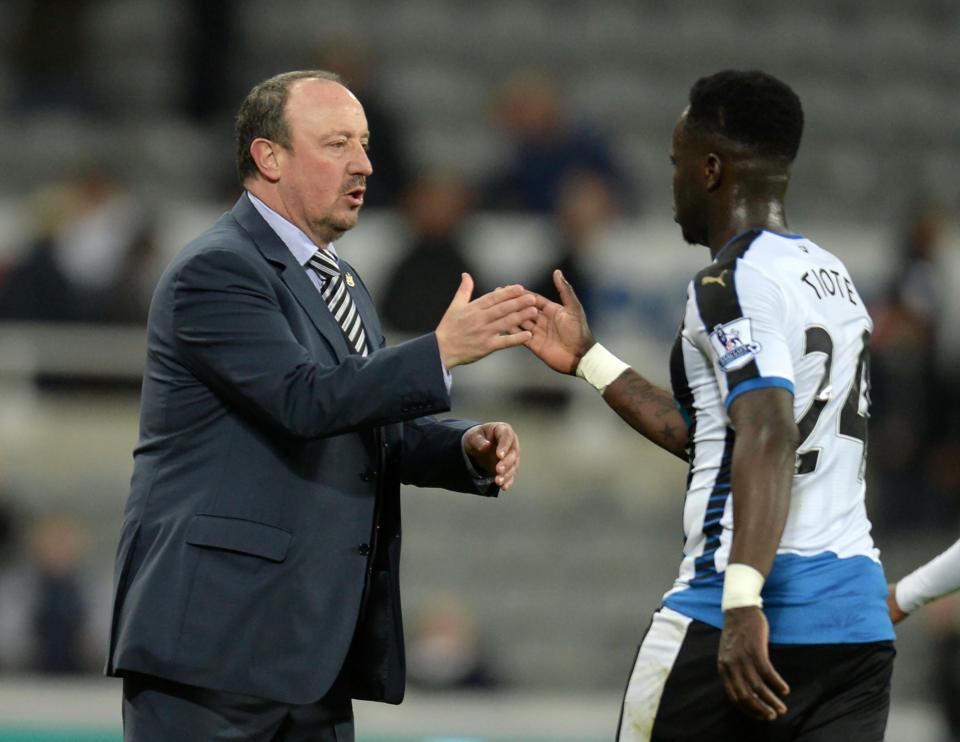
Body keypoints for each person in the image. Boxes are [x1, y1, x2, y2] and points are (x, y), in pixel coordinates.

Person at [105, 70, 537, 742]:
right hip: (213, 654)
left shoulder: (342, 284)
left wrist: (460, 446)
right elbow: (301, 399)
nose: (364, 163)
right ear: (268, 157)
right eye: (337, 144)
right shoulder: (217, 270)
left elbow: (362, 423)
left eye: (364, 144)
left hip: (312, 656)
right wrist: (440, 353)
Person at [522, 70, 894, 740]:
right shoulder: (835, 278)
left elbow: (769, 435)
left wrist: (745, 598)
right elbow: (720, 442)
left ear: (712, 169)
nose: (673, 180)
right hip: (854, 630)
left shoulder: (729, 281)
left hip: (738, 613)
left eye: (677, 163)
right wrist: (589, 359)